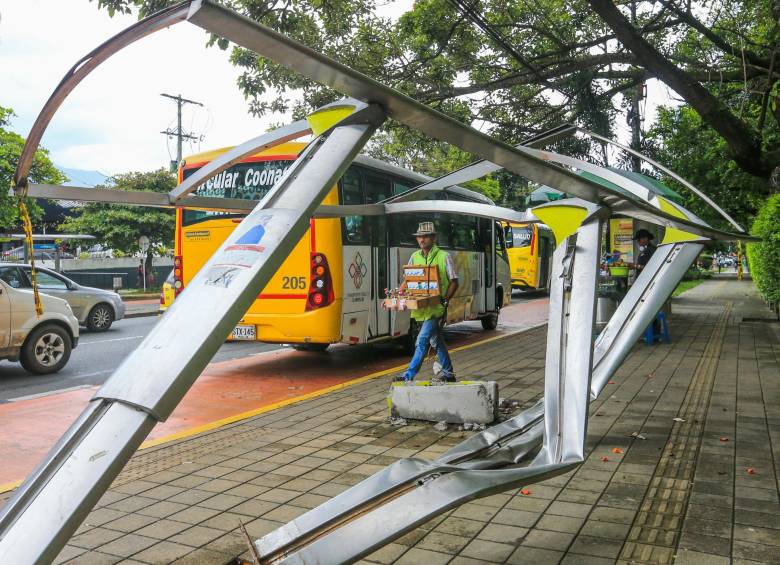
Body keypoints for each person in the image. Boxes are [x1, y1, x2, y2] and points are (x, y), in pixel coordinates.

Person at [399, 221, 459, 383]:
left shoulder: (444, 257)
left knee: (422, 340)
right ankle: (449, 374)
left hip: (436, 309)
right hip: (420, 310)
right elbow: (407, 280)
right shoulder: (414, 257)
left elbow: (454, 281)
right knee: (436, 341)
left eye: (426, 236)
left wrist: (445, 300)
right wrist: (399, 293)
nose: (422, 240)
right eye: (419, 237)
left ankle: (408, 375)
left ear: (434, 238)